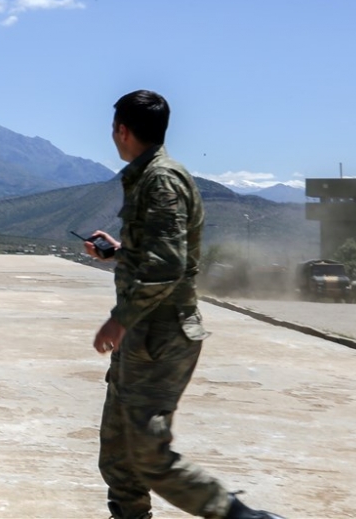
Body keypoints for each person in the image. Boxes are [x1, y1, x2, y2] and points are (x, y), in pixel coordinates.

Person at [86, 90, 285, 519]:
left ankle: (243, 517)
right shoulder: (147, 175)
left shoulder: (161, 179)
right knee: (118, 453)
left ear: (121, 130)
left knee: (148, 455)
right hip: (142, 333)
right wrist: (119, 251)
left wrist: (119, 320)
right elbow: (159, 251)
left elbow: (168, 265)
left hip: (160, 334)